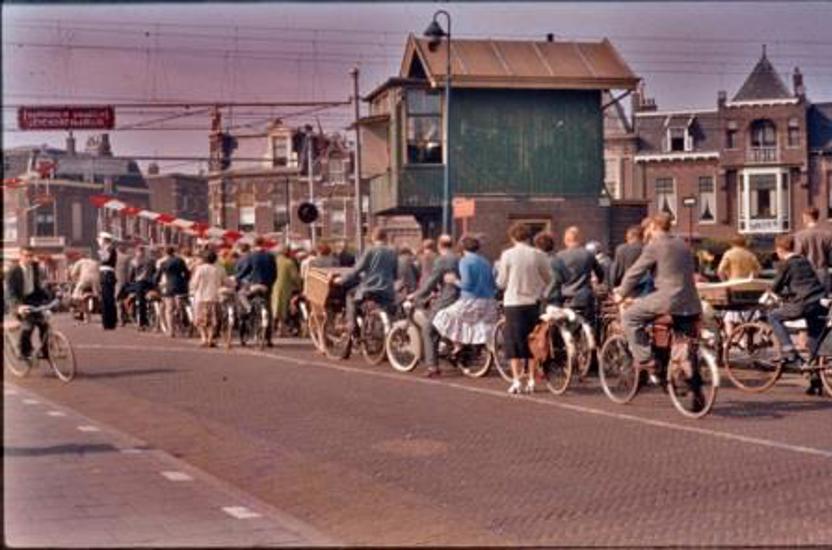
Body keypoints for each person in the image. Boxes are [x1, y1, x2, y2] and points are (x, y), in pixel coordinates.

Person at [614, 212, 702, 392]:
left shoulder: (655, 245)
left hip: (667, 299)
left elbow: (635, 272)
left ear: (654, 226)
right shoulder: (682, 244)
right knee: (686, 342)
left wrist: (621, 293)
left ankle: (646, 359)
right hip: (691, 302)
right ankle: (696, 391)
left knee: (630, 317)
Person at [496, 223, 553, 394]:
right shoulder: (538, 254)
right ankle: (531, 380)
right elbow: (549, 277)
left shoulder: (507, 255)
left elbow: (501, 281)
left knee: (514, 343)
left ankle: (516, 381)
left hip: (513, 303)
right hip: (533, 302)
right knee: (532, 341)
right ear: (529, 237)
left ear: (512, 237)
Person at [769, 234, 827, 395]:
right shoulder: (805, 261)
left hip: (804, 303)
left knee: (773, 316)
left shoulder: (786, 264)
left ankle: (789, 351)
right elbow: (806, 282)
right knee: (814, 341)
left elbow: (776, 287)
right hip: (820, 302)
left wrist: (771, 296)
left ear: (779, 249)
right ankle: (815, 381)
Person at [432, 235, 499, 355]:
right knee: (467, 322)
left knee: (442, 316)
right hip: (488, 302)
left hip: (470, 302)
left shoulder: (465, 261)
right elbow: (493, 284)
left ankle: (457, 345)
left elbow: (467, 285)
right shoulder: (485, 262)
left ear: (462, 248)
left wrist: (453, 280)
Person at [409, 234, 460, 377]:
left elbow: (431, 282)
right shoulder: (459, 257)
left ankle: (432, 366)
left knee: (428, 328)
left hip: (448, 298)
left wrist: (416, 295)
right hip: (461, 298)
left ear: (439, 245)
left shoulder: (442, 260)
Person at [334, 227, 398, 335]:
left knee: (350, 295)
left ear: (373, 238)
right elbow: (395, 273)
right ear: (386, 238)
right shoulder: (392, 252)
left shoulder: (370, 250)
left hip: (370, 287)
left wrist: (342, 280)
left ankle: (351, 324)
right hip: (387, 289)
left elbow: (357, 269)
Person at [6, 247, 52, 360]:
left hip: (32, 299)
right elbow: (10, 293)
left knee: (44, 325)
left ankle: (45, 352)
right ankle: (22, 351)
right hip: (19, 301)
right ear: (20, 256)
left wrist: (49, 298)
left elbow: (38, 286)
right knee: (28, 325)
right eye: (26, 256)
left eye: (31, 256)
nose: (29, 258)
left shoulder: (35, 267)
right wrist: (18, 307)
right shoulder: (13, 271)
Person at [715, 234, 763, 338]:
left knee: (728, 318)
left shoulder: (729, 254)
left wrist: (725, 282)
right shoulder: (750, 254)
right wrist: (751, 278)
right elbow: (758, 269)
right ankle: (744, 338)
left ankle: (731, 339)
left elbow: (720, 271)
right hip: (748, 290)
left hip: (734, 288)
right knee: (747, 315)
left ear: (731, 243)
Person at [556, 226, 606, 323]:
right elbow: (600, 273)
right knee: (591, 322)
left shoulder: (559, 256)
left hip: (566, 298)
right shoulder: (588, 254)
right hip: (585, 298)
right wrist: (598, 282)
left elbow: (557, 279)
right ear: (579, 239)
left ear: (566, 240)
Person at [235, 237, 278, 345]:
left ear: (254, 244)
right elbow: (274, 273)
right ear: (263, 243)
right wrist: (270, 284)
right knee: (268, 310)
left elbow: (245, 271)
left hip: (253, 286)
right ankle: (268, 338)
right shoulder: (270, 256)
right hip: (266, 287)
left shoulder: (251, 256)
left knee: (241, 296)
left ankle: (247, 318)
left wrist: (237, 278)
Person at [189, 248, 227, 347]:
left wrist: (192, 288)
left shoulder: (200, 269)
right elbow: (225, 281)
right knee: (213, 320)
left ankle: (203, 338)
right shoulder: (220, 269)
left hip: (201, 297)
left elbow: (194, 283)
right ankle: (210, 338)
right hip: (215, 297)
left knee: (200, 320)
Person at [155, 245, 191, 338]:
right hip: (181, 285)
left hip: (169, 286)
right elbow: (187, 273)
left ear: (165, 253)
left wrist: (155, 283)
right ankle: (182, 322)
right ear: (173, 252)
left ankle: (171, 331)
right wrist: (185, 280)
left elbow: (158, 276)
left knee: (169, 309)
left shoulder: (164, 263)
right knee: (180, 306)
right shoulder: (180, 260)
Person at [794, 206, 832, 290]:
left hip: (807, 273)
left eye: (803, 218)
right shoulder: (828, 235)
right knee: (825, 300)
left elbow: (798, 256)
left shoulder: (799, 236)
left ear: (807, 217)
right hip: (823, 272)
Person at [122, 246, 157, 330]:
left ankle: (141, 323)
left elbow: (131, 275)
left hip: (140, 284)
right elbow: (154, 271)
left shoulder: (134, 261)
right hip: (150, 284)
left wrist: (129, 281)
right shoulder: (151, 260)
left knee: (140, 302)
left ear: (137, 252)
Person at [272, 245, 302, 337]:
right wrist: (299, 285)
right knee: (283, 308)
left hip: (273, 286)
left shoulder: (274, 261)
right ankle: (281, 329)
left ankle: (275, 328)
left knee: (275, 307)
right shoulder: (289, 263)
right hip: (285, 287)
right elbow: (295, 277)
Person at [533, 231, 567, 307]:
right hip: (554, 299)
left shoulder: (533, 260)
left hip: (536, 299)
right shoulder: (558, 260)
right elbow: (565, 278)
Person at [608, 225, 646, 290]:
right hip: (644, 286)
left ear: (629, 236)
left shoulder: (622, 249)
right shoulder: (647, 249)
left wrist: (612, 287)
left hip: (625, 286)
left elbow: (616, 271)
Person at [98, 232, 119, 330]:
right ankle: (109, 322)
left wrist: (102, 248)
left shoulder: (109, 248)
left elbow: (105, 259)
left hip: (107, 274)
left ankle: (108, 322)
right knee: (107, 299)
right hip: (106, 274)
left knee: (107, 300)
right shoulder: (109, 248)